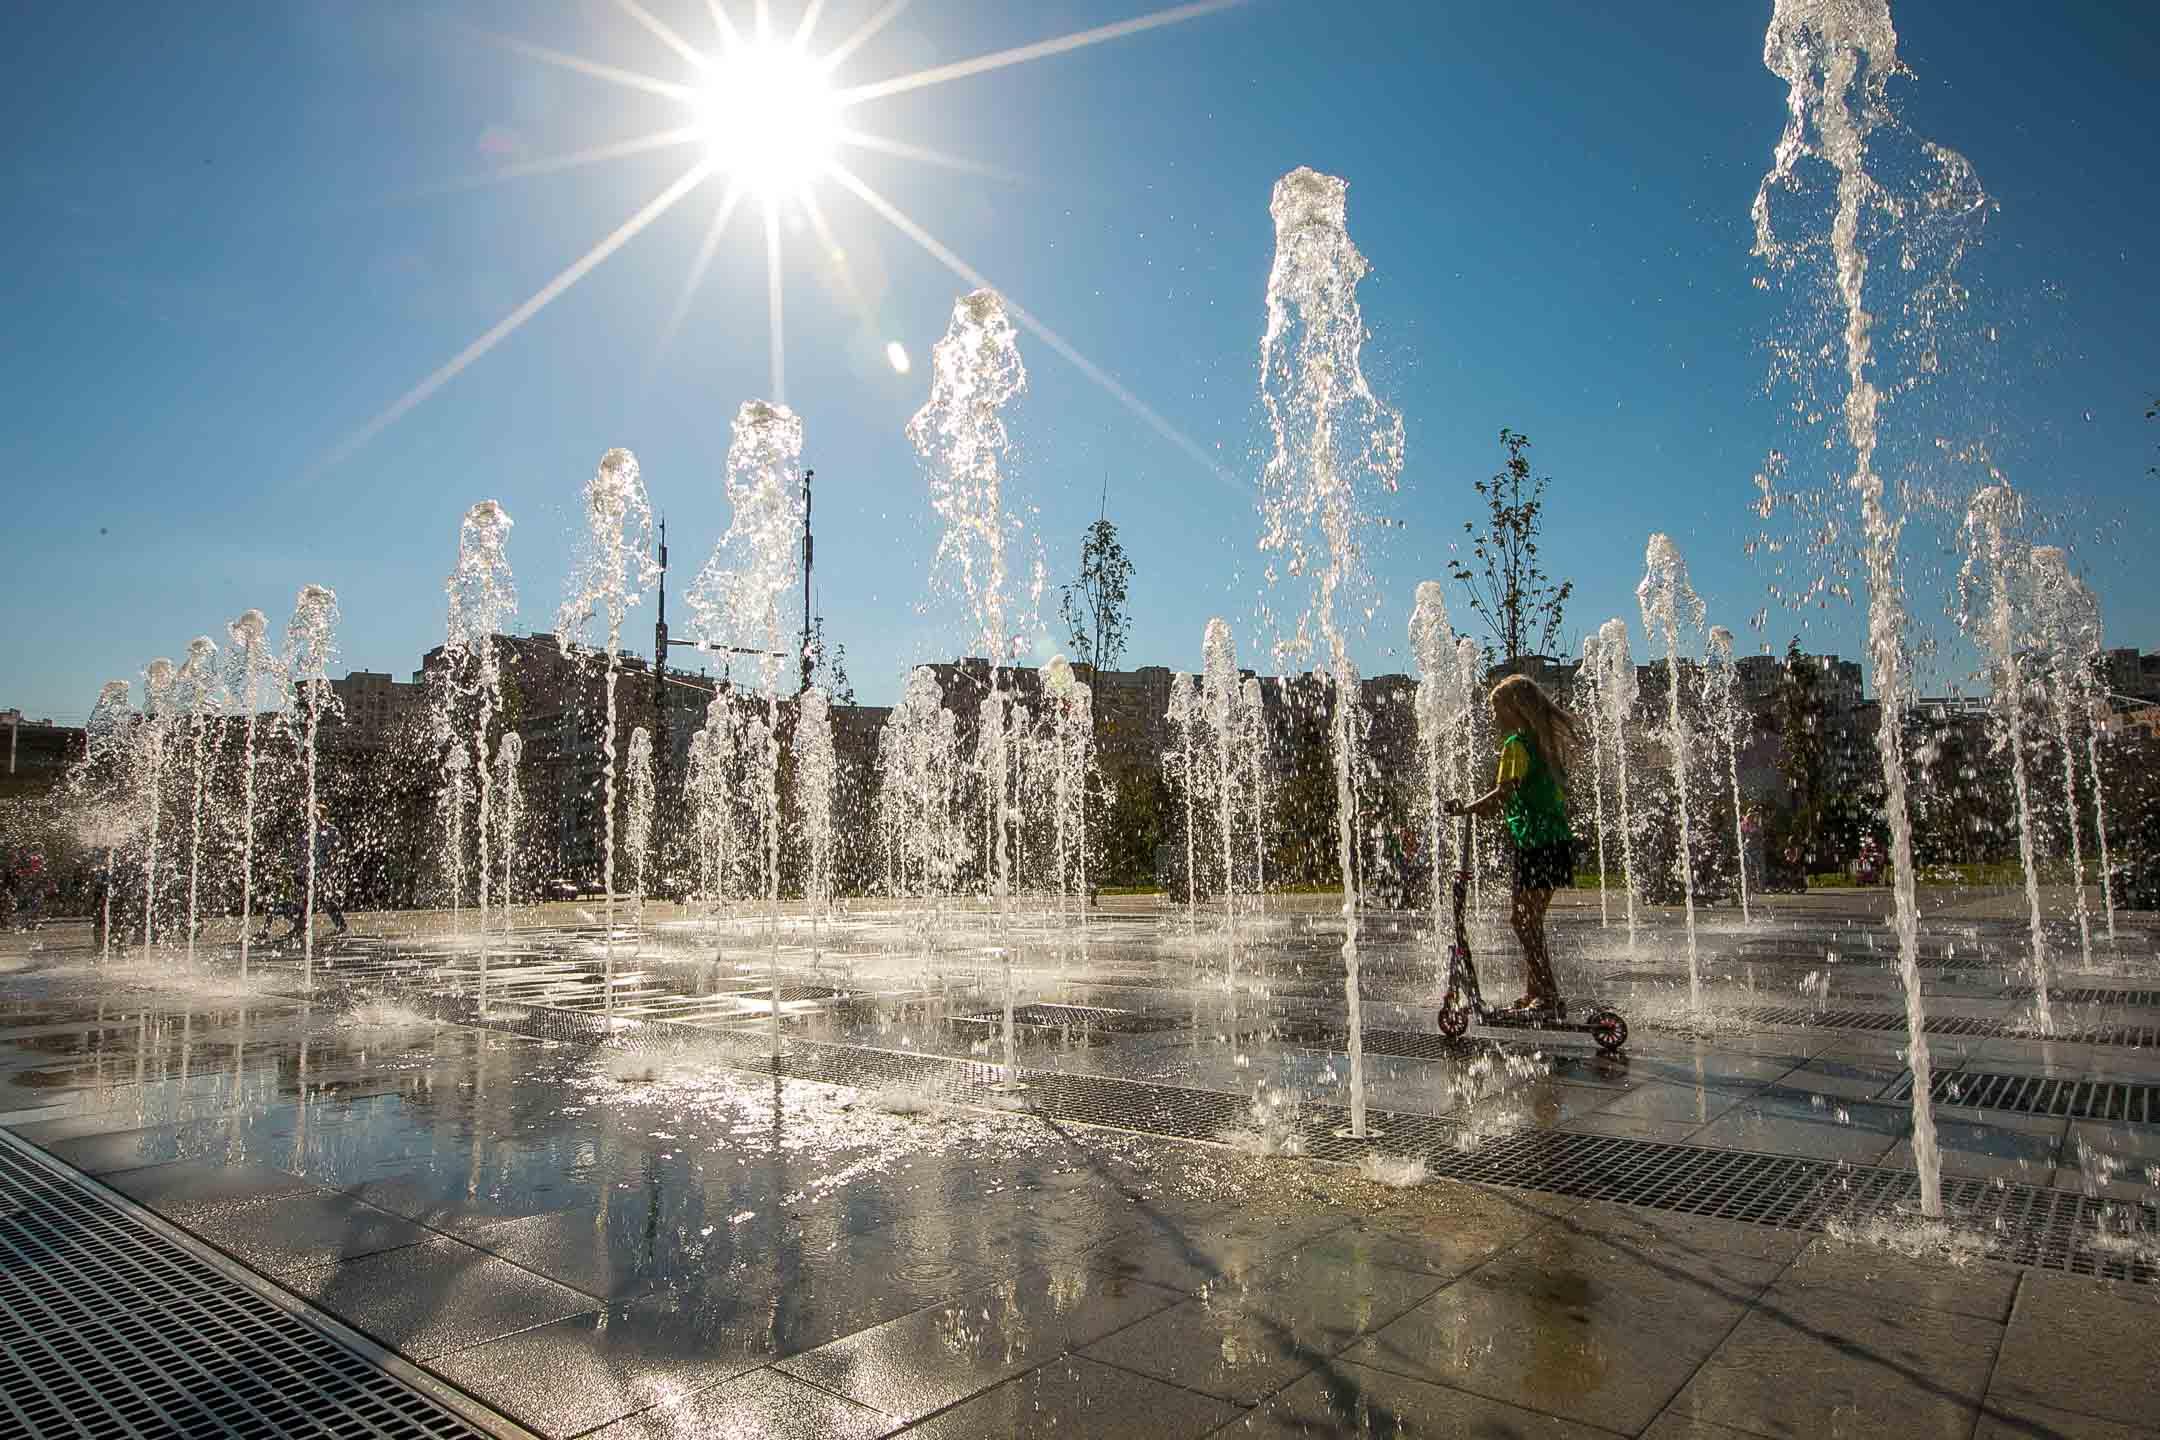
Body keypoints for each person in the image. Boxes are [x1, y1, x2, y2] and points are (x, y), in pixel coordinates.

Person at [1446, 673, 1581, 1014]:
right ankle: (1534, 990)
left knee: (1523, 922)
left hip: (1537, 844)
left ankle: (1548, 997)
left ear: (1515, 710)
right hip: (1555, 843)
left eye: (1497, 709)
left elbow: (1501, 797)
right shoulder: (1541, 743)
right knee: (1528, 920)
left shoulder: (1516, 746)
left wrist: (1465, 808)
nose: (1494, 717)